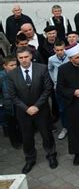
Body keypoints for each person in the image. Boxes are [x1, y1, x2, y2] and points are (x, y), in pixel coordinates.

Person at [6, 46, 58, 174]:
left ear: (31, 56)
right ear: (18, 59)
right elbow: (13, 95)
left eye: (26, 57)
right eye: (21, 58)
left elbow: (47, 89)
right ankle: (30, 159)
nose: (24, 60)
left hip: (41, 109)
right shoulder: (12, 74)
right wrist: (26, 108)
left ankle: (51, 155)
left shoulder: (42, 68)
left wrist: (36, 106)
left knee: (46, 134)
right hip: (23, 112)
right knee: (27, 136)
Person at [0, 55, 22, 149]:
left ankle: (22, 139)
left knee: (20, 123)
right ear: (5, 66)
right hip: (8, 105)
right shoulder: (1, 77)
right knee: (11, 125)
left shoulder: (19, 73)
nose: (14, 67)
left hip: (19, 103)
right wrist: (2, 103)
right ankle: (15, 142)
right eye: (11, 65)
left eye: (15, 65)